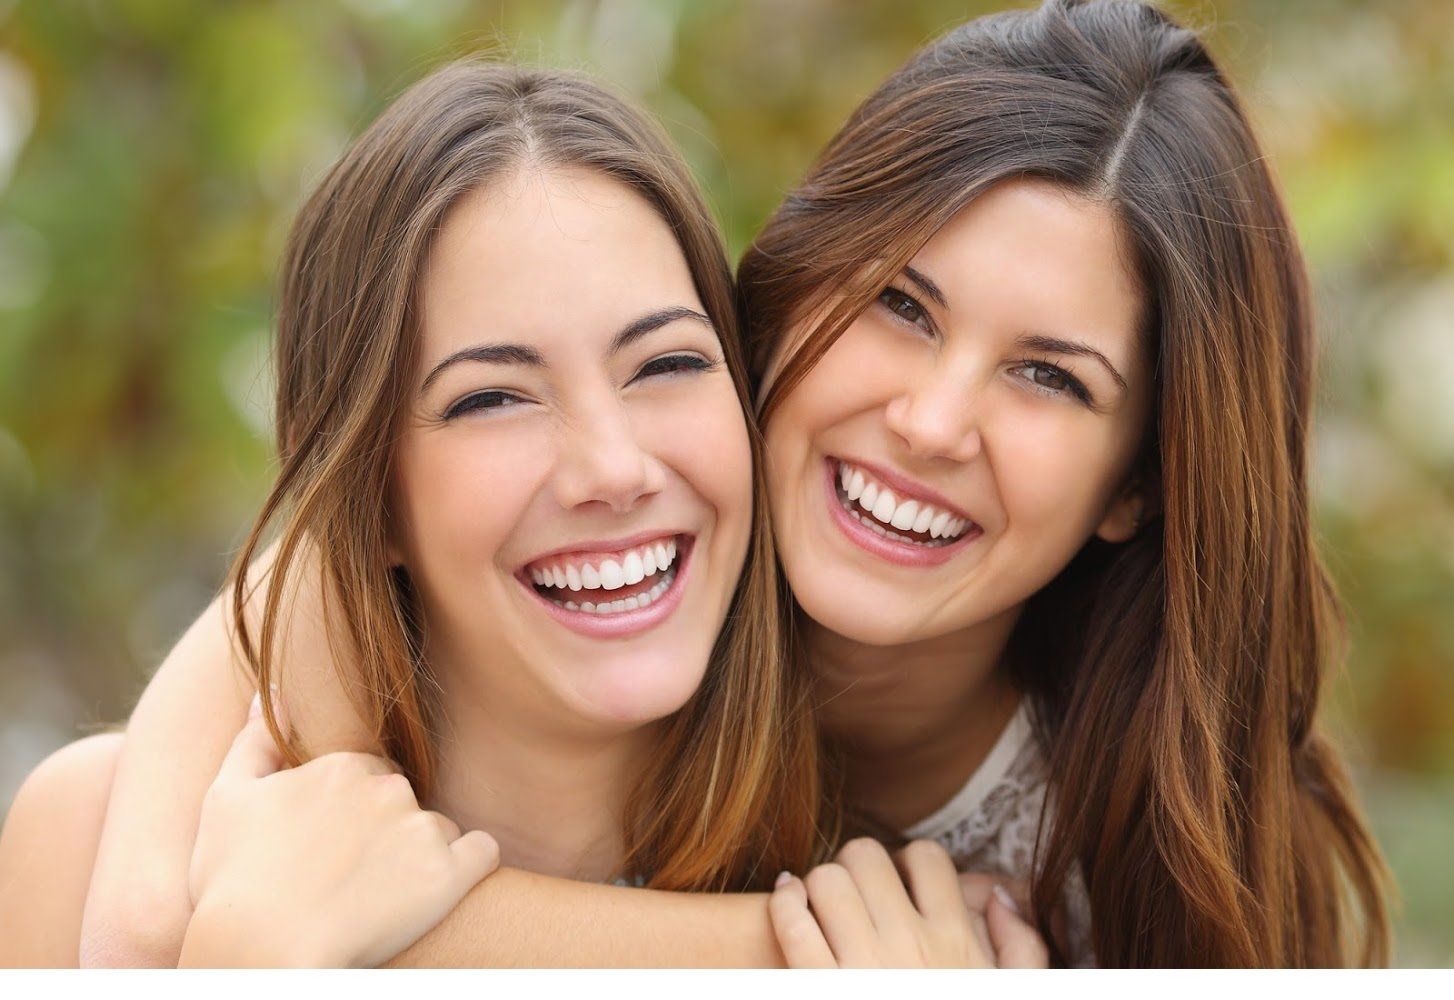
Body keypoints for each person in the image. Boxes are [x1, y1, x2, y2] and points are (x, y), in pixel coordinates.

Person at [3, 0, 1391, 968]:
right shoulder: (650, 535)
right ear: (777, 306)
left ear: (1134, 483)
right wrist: (164, 912)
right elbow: (311, 562)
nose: (927, 419)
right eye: (902, 306)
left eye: (1049, 377)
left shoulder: (1107, 862)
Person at [6, 59, 1032, 969]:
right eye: (492, 396)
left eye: (666, 364)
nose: (612, 467)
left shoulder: (907, 935)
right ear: (367, 506)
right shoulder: (95, 842)